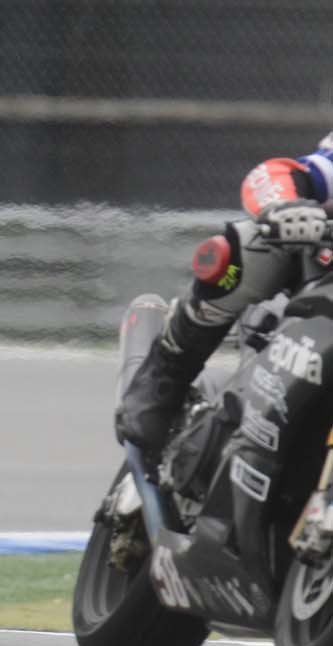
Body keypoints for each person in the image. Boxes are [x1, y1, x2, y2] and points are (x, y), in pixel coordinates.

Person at [116, 134, 333, 459]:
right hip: (318, 292)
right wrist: (284, 208)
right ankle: (164, 376)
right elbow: (273, 174)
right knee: (248, 249)